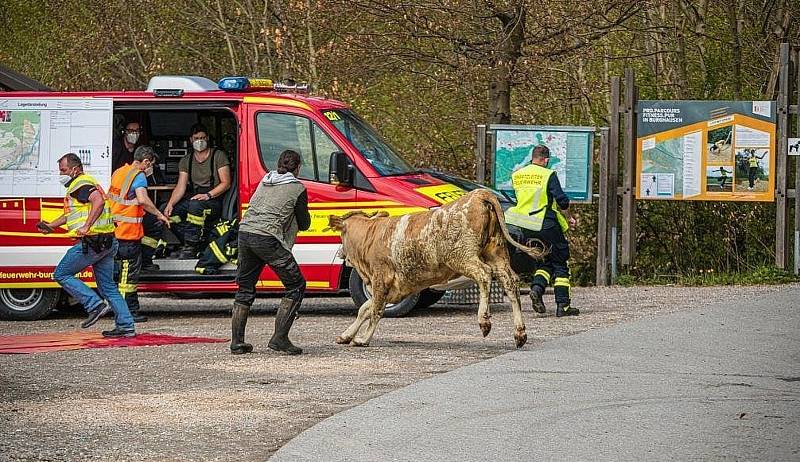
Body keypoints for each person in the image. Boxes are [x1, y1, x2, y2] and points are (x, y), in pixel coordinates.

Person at [37, 153, 136, 337]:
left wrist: (87, 226)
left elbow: (97, 201)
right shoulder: (83, 184)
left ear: (75, 169)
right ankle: (126, 326)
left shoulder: (80, 184)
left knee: (61, 273)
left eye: (63, 170)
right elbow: (70, 215)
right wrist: (50, 227)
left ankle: (95, 305)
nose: (61, 174)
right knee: (108, 287)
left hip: (92, 242)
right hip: (107, 242)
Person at [230, 150, 310, 355]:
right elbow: (304, 223)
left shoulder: (265, 181)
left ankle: (237, 342)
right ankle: (280, 338)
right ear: (298, 167)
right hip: (268, 239)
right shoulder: (297, 188)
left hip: (245, 234)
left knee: (245, 289)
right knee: (296, 284)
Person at [504, 145, 579, 317]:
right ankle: (563, 306)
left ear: (532, 158)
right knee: (560, 262)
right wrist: (568, 217)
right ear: (545, 160)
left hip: (526, 226)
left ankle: (537, 290)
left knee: (544, 262)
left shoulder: (517, 175)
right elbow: (562, 201)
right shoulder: (548, 174)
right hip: (546, 223)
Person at [108, 146, 171, 323]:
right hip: (128, 235)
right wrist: (159, 214)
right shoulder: (139, 175)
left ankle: (125, 310)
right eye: (150, 164)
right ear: (145, 161)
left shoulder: (119, 172)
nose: (151, 167)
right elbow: (143, 200)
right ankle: (128, 313)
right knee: (128, 278)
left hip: (116, 230)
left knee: (121, 274)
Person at [163, 123, 231, 259]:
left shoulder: (218, 156)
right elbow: (180, 187)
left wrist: (208, 195)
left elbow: (226, 183)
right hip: (195, 197)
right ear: (191, 140)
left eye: (202, 138)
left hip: (213, 200)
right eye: (196, 138)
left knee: (195, 206)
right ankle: (196, 242)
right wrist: (170, 204)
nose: (199, 141)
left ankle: (191, 246)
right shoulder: (186, 160)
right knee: (168, 211)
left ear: (207, 138)